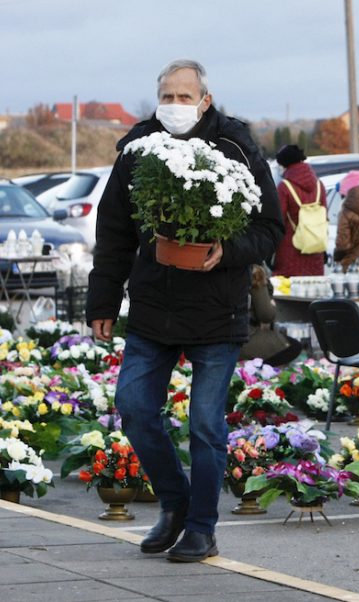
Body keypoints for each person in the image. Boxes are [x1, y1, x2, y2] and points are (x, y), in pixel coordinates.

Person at [86, 59, 283, 563]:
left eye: (184, 96)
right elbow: (113, 232)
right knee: (133, 407)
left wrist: (228, 248)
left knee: (205, 425)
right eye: (167, 96)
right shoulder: (137, 149)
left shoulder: (235, 146)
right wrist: (103, 300)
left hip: (217, 311)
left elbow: (269, 227)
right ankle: (174, 503)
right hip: (153, 307)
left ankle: (201, 527)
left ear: (205, 100)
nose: (175, 105)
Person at [273, 144, 326, 276]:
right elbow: (325, 215)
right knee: (313, 293)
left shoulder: (284, 187)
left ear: (284, 165)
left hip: (290, 251)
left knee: (288, 292)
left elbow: (278, 220)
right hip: (316, 249)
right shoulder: (319, 185)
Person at [239, 264, 302, 366]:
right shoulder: (254, 271)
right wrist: (272, 305)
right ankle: (257, 372)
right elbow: (266, 315)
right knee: (293, 347)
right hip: (242, 338)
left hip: (214, 335)